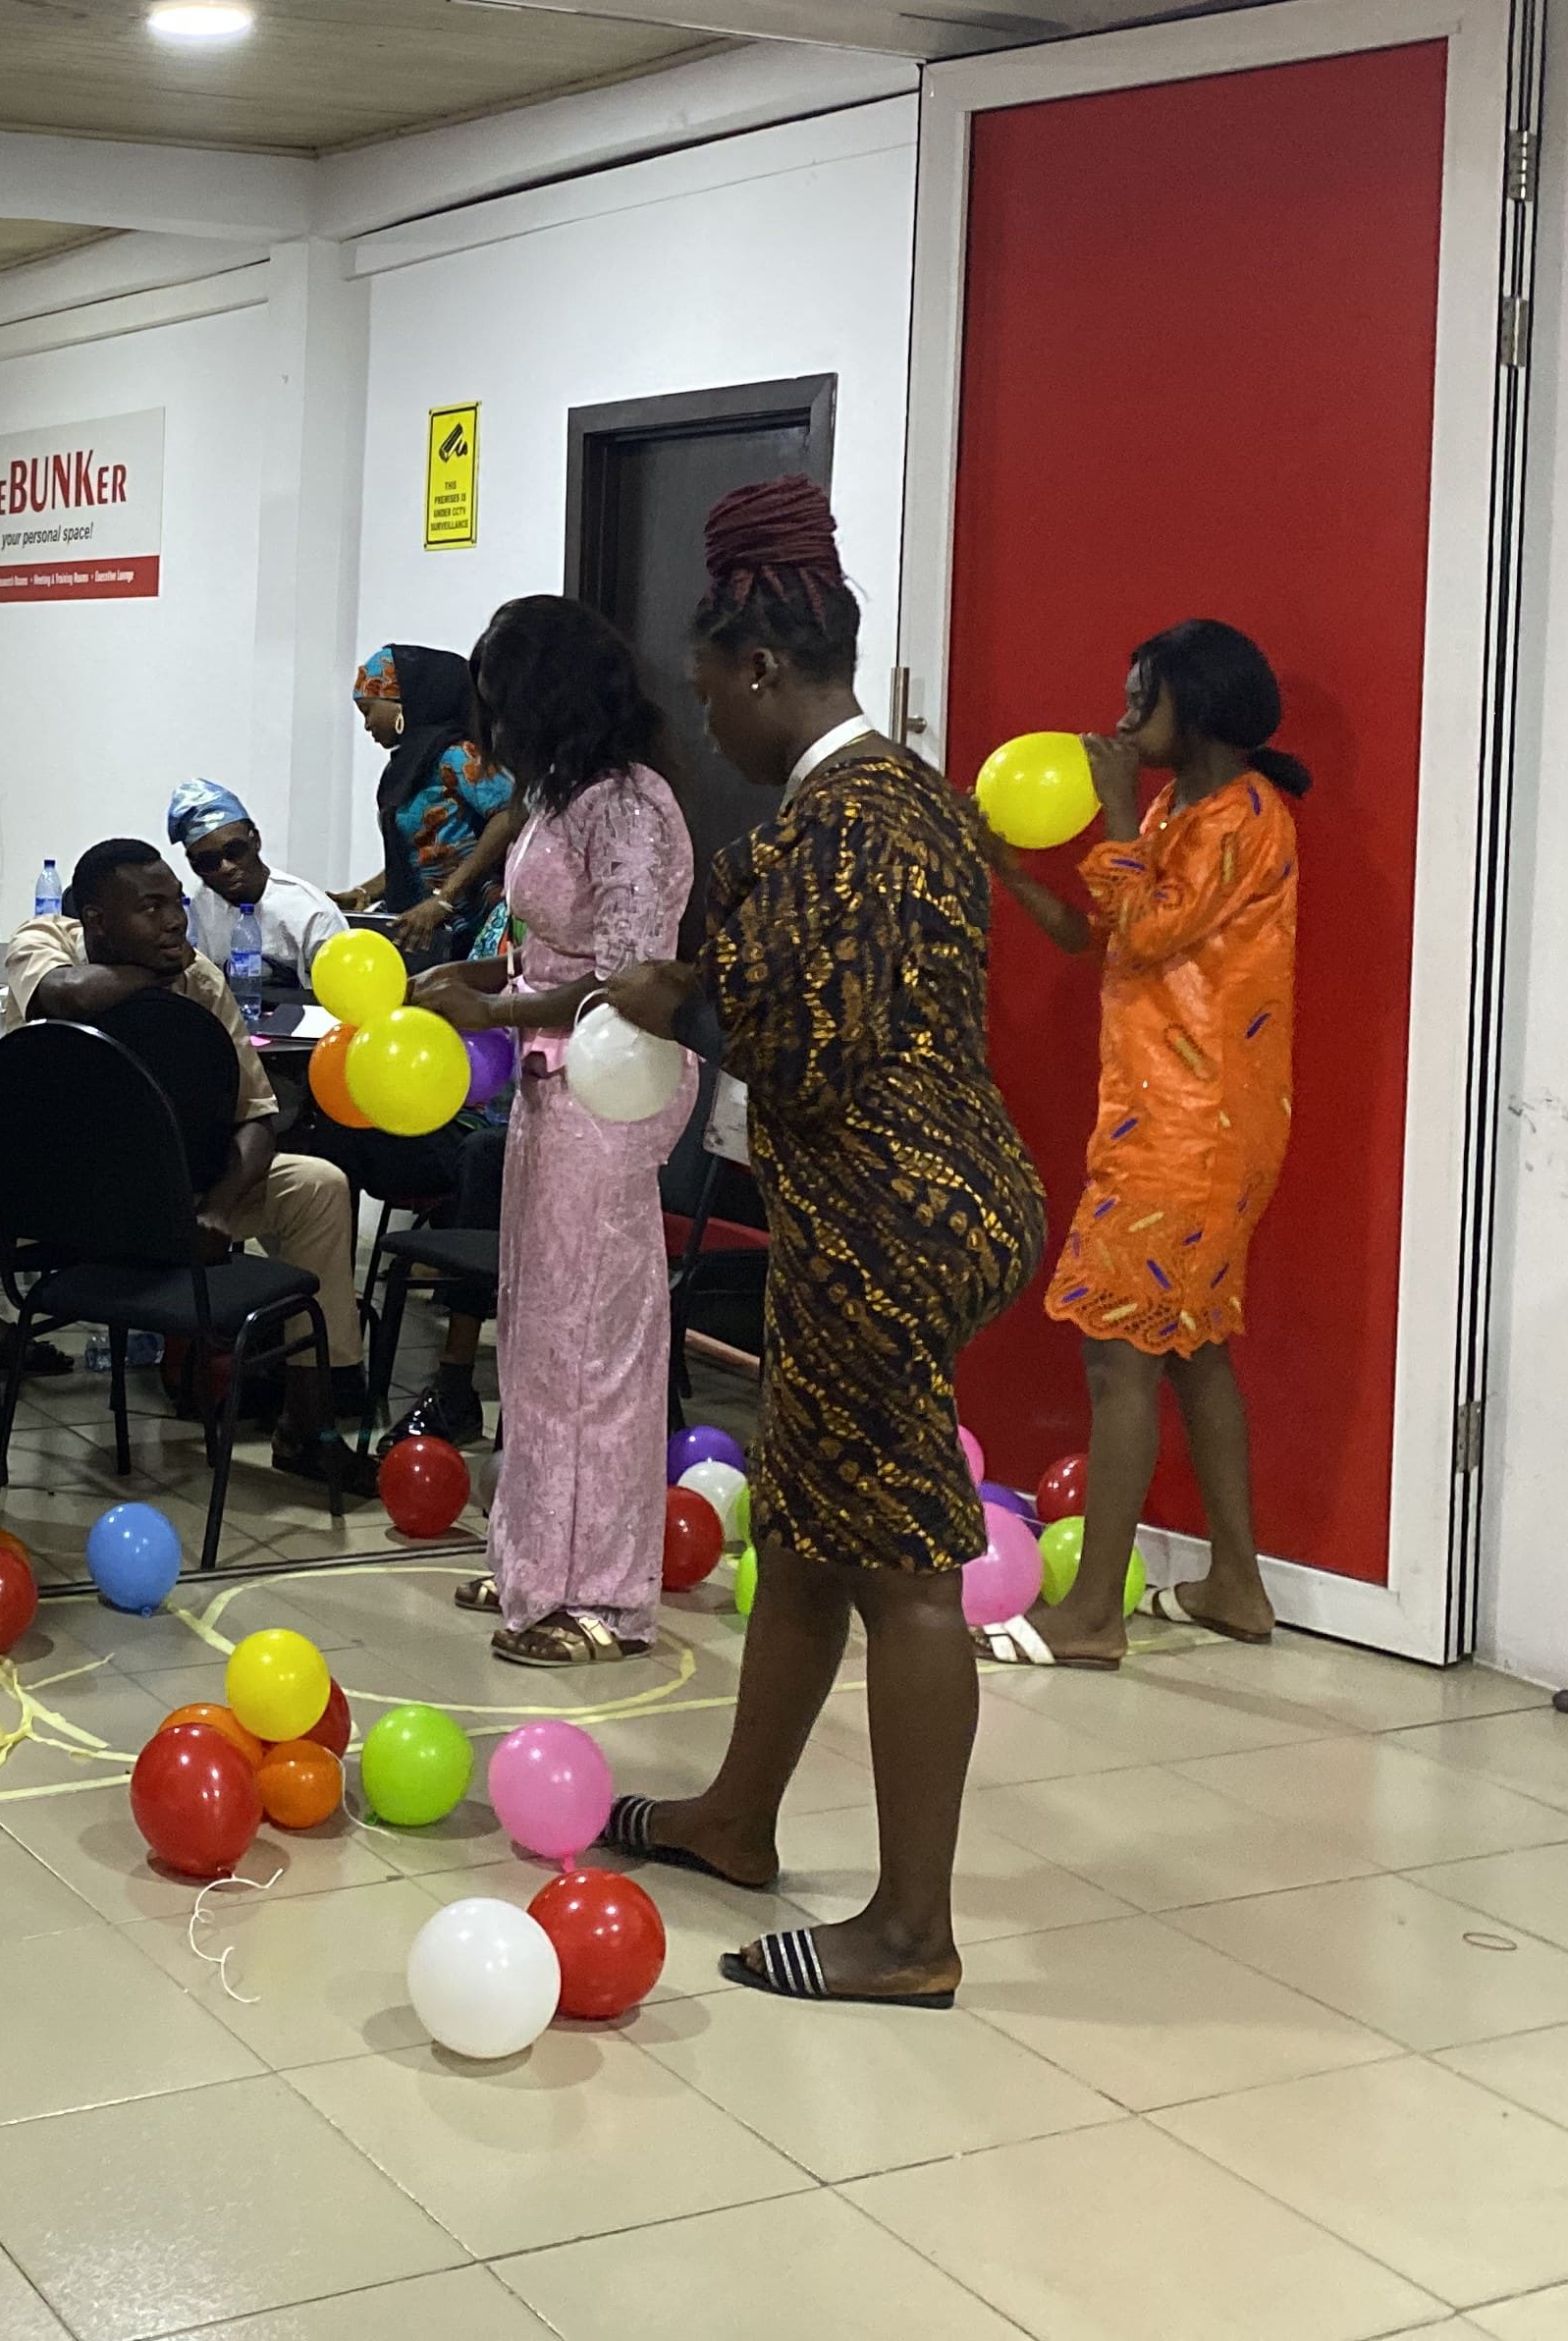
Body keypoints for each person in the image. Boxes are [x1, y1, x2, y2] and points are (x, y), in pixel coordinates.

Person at [588, 476, 1043, 2008]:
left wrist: (689, 1013)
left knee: (906, 1566)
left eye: (711, 687)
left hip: (886, 1218)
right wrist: (534, 1002)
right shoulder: (890, 797)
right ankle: (736, 1817)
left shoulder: (845, 826)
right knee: (808, 1514)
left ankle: (912, 1934)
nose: (705, 718)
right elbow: (701, 963)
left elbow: (810, 1041)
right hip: (925, 1197)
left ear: (765, 672)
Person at [981, 618, 1306, 1665]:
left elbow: (1156, 925)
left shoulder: (1248, 818)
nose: (1118, 724)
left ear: (1194, 708)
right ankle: (1238, 1587)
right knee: (1192, 1348)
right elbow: (1100, 932)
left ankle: (1092, 1617)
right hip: (1160, 1113)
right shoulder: (1180, 807)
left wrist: (1116, 810)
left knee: (1118, 1354)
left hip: (1193, 1128)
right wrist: (1008, 868)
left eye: (1140, 704)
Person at [0, 839, 374, 1546]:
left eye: (176, 905)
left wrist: (219, 1207)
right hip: (46, 1180)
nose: (174, 923)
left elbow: (255, 1120)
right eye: (150, 908)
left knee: (318, 1185)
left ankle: (307, 1428)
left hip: (174, 1185)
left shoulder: (205, 981)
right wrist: (152, 979)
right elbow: (65, 996)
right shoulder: (44, 940)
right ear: (95, 919)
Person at [411, 600, 694, 1665]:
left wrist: (496, 1011)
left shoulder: (631, 806)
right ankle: (540, 1554)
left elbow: (631, 982)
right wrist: (479, 976)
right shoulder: (560, 799)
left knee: (595, 1345)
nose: (490, 724)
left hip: (611, 1092)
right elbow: (553, 954)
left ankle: (604, 1597)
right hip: (551, 1084)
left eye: (502, 700)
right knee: (535, 1331)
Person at [337, 646, 516, 962]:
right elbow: (423, 853)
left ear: (403, 703)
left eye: (368, 710)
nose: (367, 725)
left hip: (474, 935)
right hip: (430, 933)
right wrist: (365, 893)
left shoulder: (456, 755)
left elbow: (509, 815)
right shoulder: (408, 766)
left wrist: (445, 899)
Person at [170, 779, 348, 1004]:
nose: (226, 867)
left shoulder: (310, 911)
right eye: (208, 861)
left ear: (255, 840)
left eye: (234, 851)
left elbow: (343, 996)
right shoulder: (198, 910)